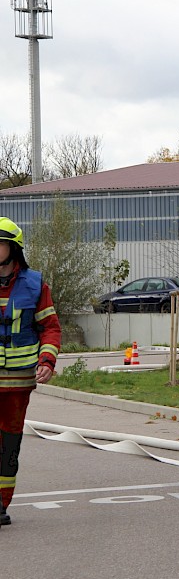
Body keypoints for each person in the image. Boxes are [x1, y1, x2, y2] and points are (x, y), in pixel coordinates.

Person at [0, 217, 61, 527]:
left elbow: (50, 327)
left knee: (9, 447)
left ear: (13, 248)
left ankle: (1, 504)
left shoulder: (36, 285)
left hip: (17, 383)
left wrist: (47, 360)